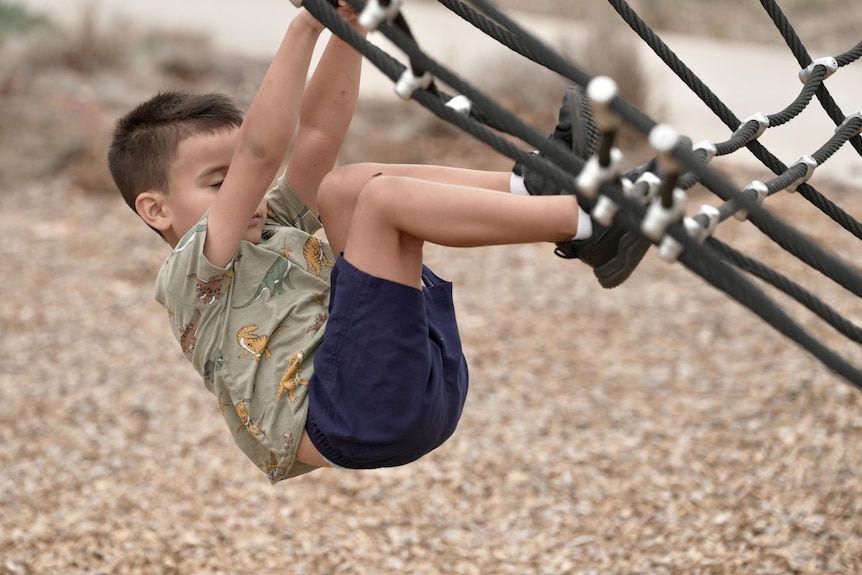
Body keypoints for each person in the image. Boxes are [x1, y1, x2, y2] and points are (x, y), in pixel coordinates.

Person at [108, 4, 649, 483]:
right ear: (155, 210)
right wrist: (304, 25)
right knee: (385, 202)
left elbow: (319, 131)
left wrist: (345, 25)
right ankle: (588, 222)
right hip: (351, 414)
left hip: (412, 377)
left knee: (348, 185)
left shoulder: (269, 225)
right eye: (217, 184)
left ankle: (530, 189)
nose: (242, 193)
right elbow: (257, 154)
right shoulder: (191, 274)